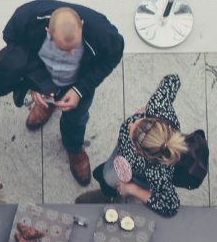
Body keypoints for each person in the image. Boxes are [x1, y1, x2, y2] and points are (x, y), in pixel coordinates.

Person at [0, 0, 125, 186]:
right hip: (44, 77)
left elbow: (113, 56)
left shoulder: (104, 34)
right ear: (48, 31)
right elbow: (14, 47)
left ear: (82, 26)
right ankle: (46, 108)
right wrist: (34, 83)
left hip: (77, 84)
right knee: (46, 101)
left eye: (74, 48)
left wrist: (79, 90)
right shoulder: (27, 18)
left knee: (76, 120)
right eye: (64, 48)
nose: (71, 54)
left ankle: (74, 148)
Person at [76, 74, 192, 218]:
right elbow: (174, 79)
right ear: (153, 120)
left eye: (133, 133)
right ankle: (108, 192)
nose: (131, 123)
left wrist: (133, 189)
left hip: (138, 176)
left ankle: (115, 198)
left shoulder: (158, 174)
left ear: (143, 153)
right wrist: (146, 110)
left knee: (119, 188)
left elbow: (171, 206)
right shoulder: (158, 105)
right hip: (122, 157)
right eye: (140, 121)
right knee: (108, 176)